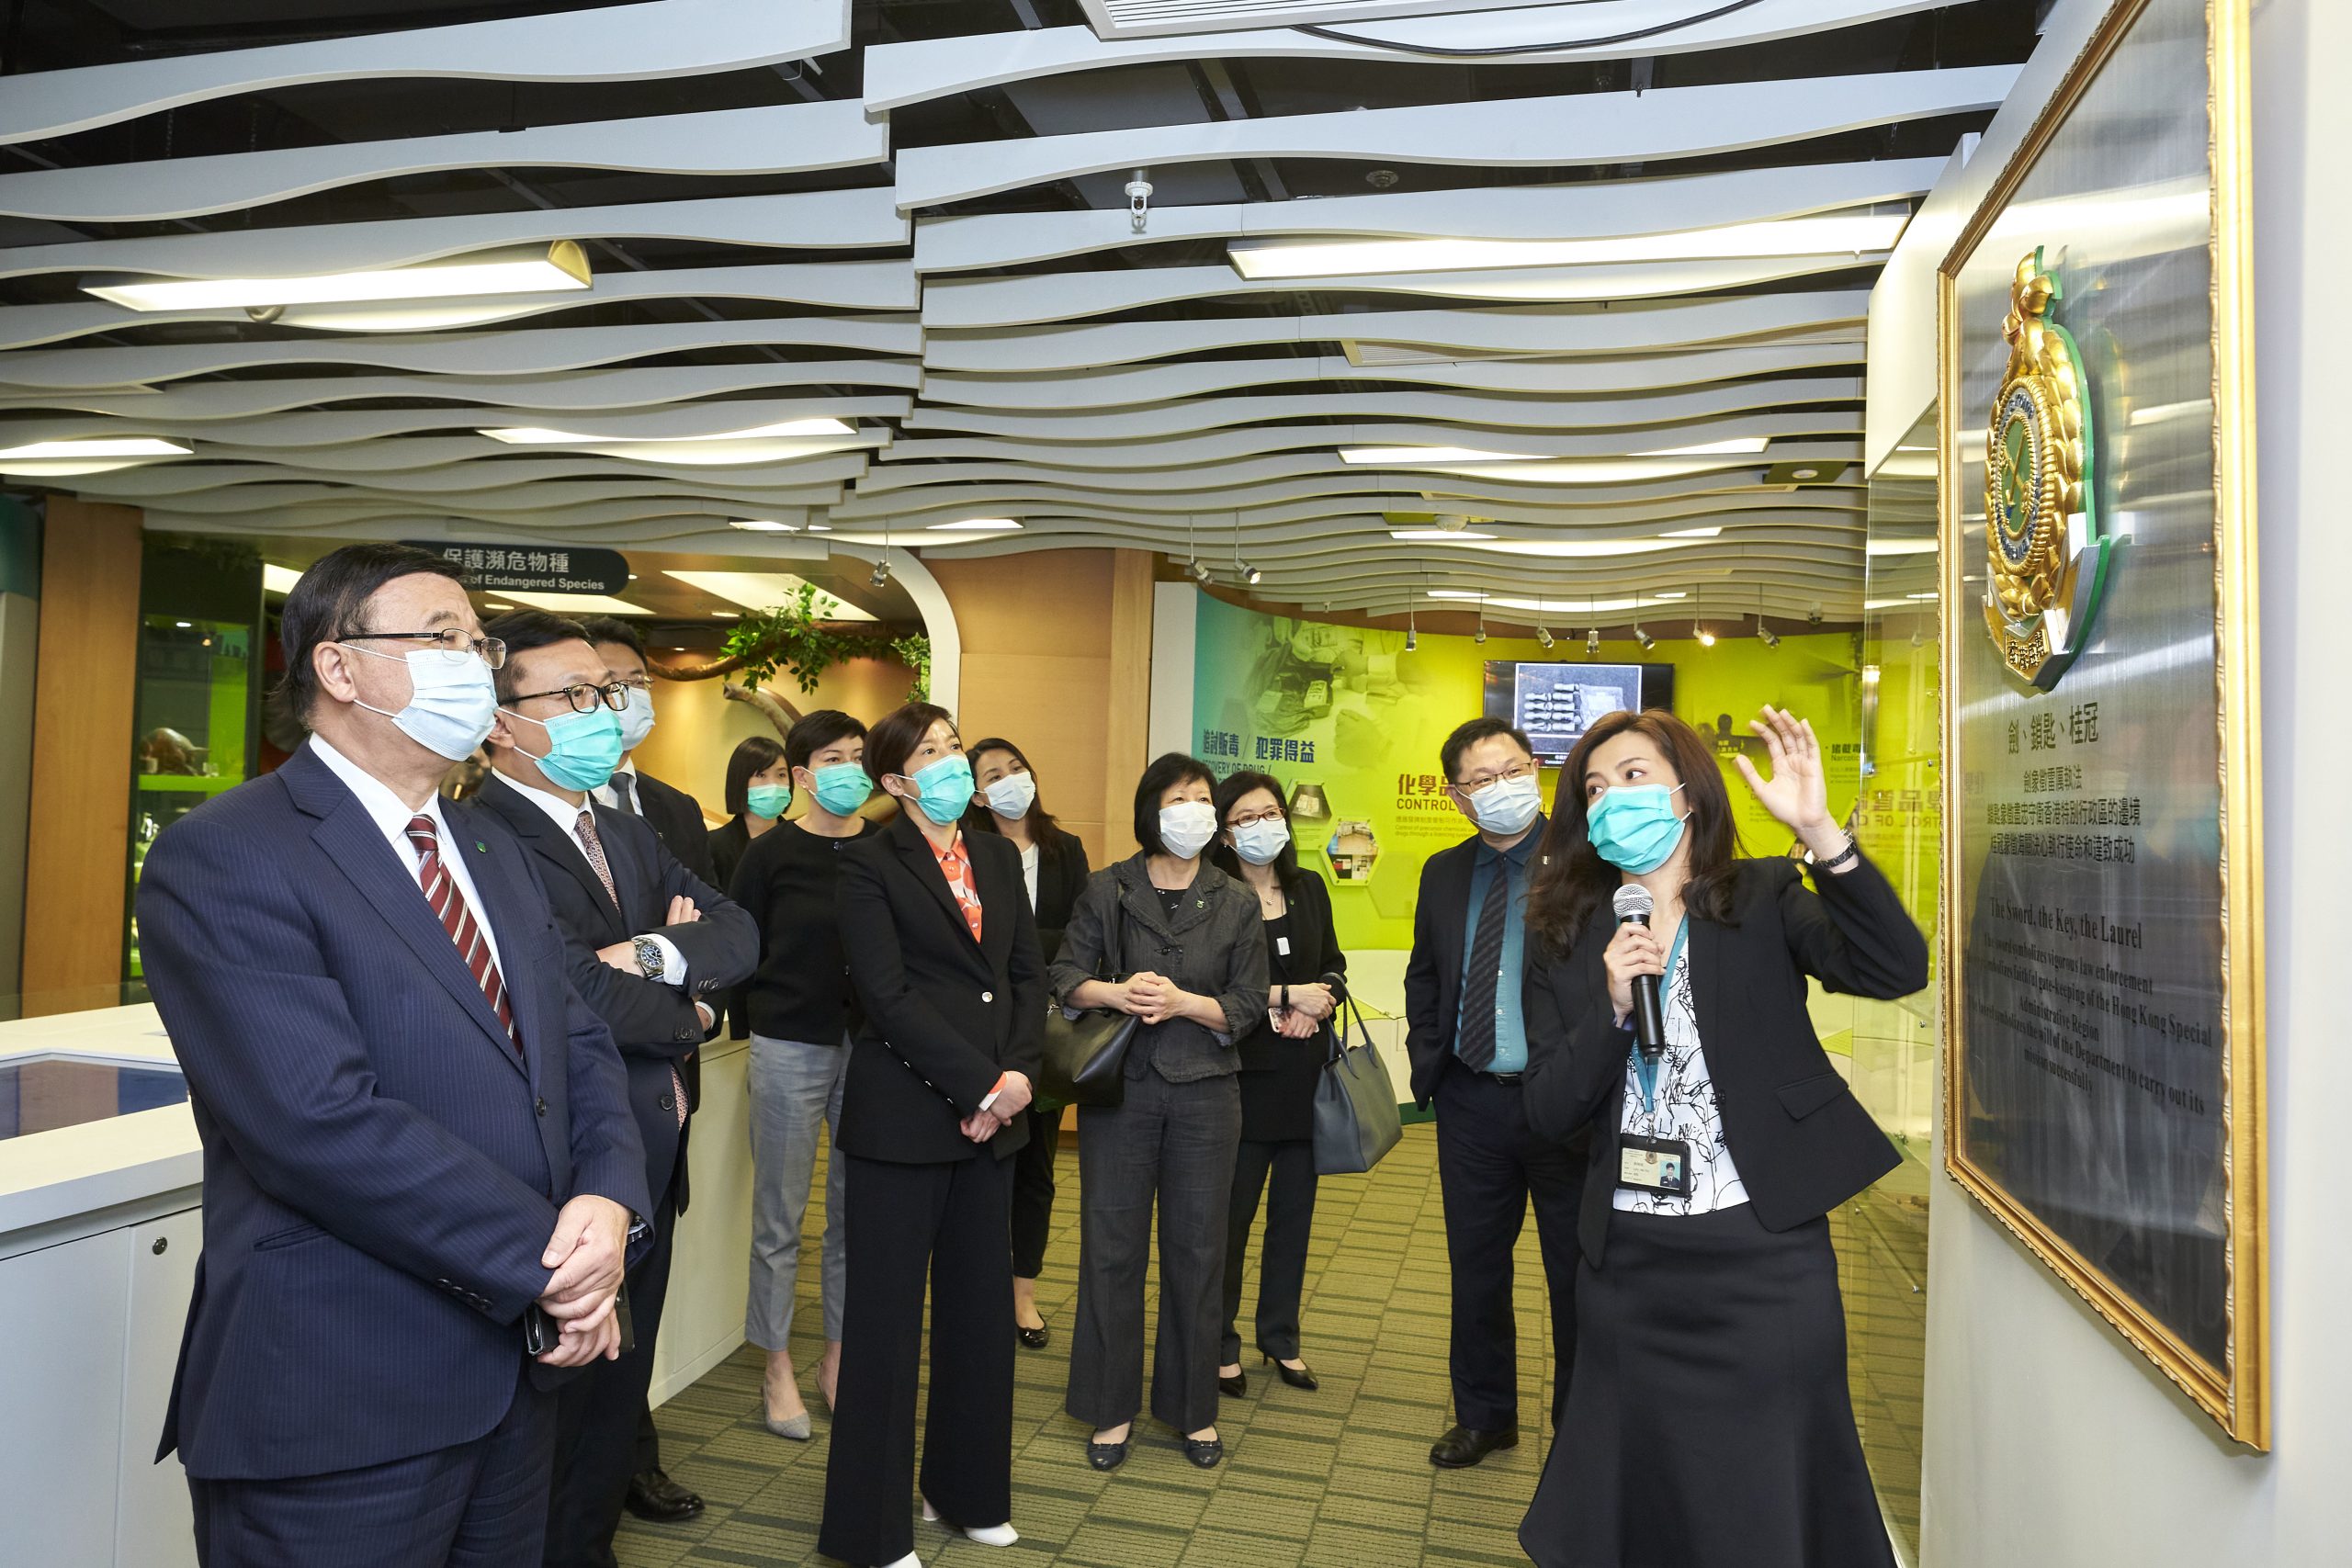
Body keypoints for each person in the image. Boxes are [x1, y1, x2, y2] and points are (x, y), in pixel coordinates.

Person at [136, 543, 649, 1568]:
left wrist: (609, 1202)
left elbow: (578, 1044)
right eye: (442, 638)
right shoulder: (231, 851)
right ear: (338, 668)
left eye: (479, 641)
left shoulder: (487, 846)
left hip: (512, 1379)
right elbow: (314, 1121)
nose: (476, 663)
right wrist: (555, 1265)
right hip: (343, 1392)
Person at [1517, 707, 1928, 1568]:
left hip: (1760, 1257)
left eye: (1631, 775)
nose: (1609, 798)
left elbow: (1896, 967)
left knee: (1762, 1495)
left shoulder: (1764, 896)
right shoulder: (1565, 929)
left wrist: (1821, 834)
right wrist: (1616, 1008)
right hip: (1628, 1265)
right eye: (1593, 787)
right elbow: (1549, 1111)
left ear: (1686, 791)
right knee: (1643, 1494)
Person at [468, 610, 757, 1568]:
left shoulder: (628, 832)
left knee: (611, 1406)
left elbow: (734, 933)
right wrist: (691, 1006)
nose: (602, 712)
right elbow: (560, 995)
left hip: (653, 1151)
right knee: (545, 1419)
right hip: (562, 1177)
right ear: (500, 720)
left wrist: (646, 954)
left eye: (605, 693)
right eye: (574, 696)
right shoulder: (482, 839)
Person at [819, 703, 1043, 1568]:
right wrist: (980, 1081)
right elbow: (887, 995)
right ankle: (869, 1534)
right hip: (905, 1119)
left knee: (980, 1319)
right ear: (895, 780)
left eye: (957, 747)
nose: (954, 764)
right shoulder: (869, 864)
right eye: (933, 754)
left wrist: (1014, 1080)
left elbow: (1024, 973)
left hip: (994, 1123)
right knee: (883, 1328)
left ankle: (968, 1491)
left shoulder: (993, 852)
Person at [1053, 753, 1269, 1472]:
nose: (1192, 810)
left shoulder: (1235, 898)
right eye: (1177, 798)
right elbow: (1064, 977)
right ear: (1152, 809)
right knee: (1111, 1248)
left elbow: (1246, 1004)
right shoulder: (1107, 887)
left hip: (1209, 1091)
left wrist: (1182, 1002)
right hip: (1123, 1092)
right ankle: (1110, 1407)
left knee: (1199, 1251)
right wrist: (1117, 992)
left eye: (1203, 799)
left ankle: (1191, 1409)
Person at [1403, 716, 1588, 1470]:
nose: (1500, 787)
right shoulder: (1444, 872)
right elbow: (1426, 974)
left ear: (1536, 769)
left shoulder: (1587, 863)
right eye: (1480, 780)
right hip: (1471, 1100)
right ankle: (1485, 1415)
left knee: (1576, 1273)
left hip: (1563, 1104)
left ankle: (1578, 1424)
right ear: (1457, 796)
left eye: (1512, 769)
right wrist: (1431, 1065)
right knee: (1477, 1267)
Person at [577, 614, 717, 1525]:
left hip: (667, 1093)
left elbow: (715, 938)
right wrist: (666, 963)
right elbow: (576, 974)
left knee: (648, 1291)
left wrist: (675, 968)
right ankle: (584, 1493)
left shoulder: (668, 810)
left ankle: (635, 1457)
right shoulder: (511, 821)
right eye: (598, 686)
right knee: (588, 1299)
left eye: (632, 682)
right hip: (588, 1101)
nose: (621, 701)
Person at [726, 710, 873, 1438]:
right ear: (804, 775)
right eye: (833, 757)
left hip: (871, 1048)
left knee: (856, 1213)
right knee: (780, 1217)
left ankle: (839, 1355)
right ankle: (776, 1360)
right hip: (788, 1042)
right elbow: (739, 945)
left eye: (859, 754)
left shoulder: (886, 849)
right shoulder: (771, 854)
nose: (850, 767)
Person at [1207, 771, 1344, 1399]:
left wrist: (1321, 1001)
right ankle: (1218, 1341)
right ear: (1225, 833)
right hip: (1240, 1077)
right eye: (1246, 817)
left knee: (1294, 1217)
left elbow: (1334, 966)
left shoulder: (1309, 885)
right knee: (1230, 1220)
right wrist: (1286, 996)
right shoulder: (1214, 895)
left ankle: (1281, 1337)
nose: (1263, 825)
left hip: (1303, 1076)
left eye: (1271, 813)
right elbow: (1210, 986)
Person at [962, 737, 1091, 1351]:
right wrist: (1033, 947)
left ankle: (1022, 1294)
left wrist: (1018, 945)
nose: (1012, 778)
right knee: (981, 1161)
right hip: (977, 1033)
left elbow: (1084, 936)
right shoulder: (967, 850)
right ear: (977, 793)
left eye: (1018, 766)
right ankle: (976, 1291)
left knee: (1037, 1168)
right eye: (995, 773)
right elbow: (965, 941)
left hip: (1045, 1035)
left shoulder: (1065, 850)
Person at [708, 735, 791, 1044]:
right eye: (761, 775)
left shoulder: (799, 839)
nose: (774, 784)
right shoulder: (716, 846)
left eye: (781, 775)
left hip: (792, 984)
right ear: (740, 782)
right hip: (738, 981)